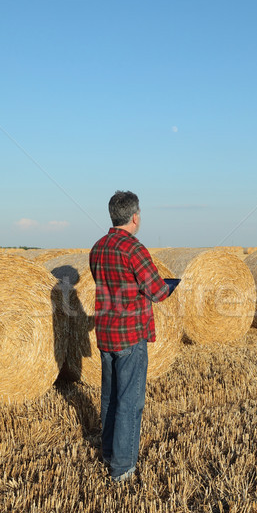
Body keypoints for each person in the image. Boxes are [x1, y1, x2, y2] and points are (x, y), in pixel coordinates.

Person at [89, 190, 170, 482]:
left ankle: (109, 452)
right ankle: (122, 468)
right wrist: (167, 286)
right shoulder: (134, 248)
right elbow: (158, 292)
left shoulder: (98, 247)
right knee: (129, 402)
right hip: (130, 335)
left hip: (106, 333)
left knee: (110, 398)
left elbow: (106, 283)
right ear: (134, 217)